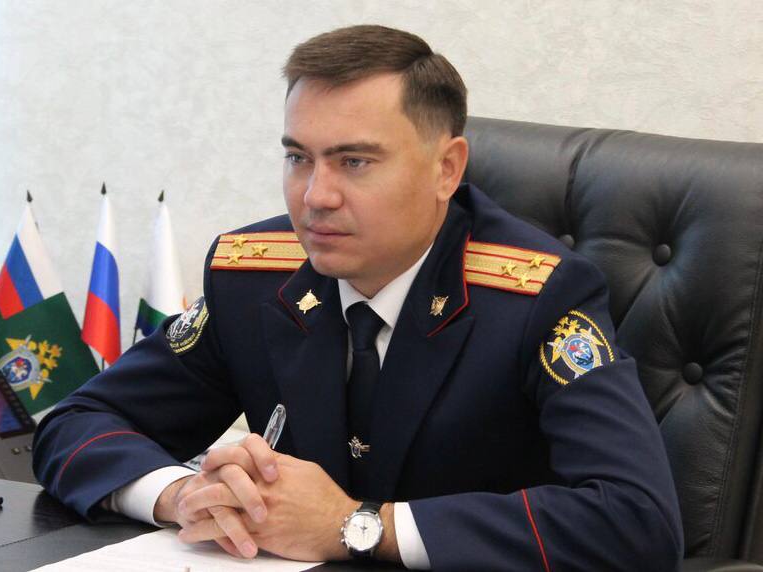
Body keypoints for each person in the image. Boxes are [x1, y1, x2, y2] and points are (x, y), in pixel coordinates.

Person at [33, 25, 684, 570]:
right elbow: (76, 422)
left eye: (354, 162)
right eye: (299, 158)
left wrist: (355, 525)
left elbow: (637, 521)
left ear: (446, 169)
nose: (316, 196)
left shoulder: (537, 297)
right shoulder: (251, 276)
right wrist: (184, 496)